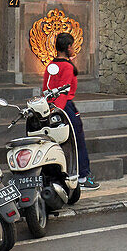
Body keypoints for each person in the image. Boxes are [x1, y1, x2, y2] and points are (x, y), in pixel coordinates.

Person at [43, 32, 99, 191]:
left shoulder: (51, 66)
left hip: (50, 107)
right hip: (65, 107)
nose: (73, 49)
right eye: (72, 46)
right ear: (68, 47)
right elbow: (63, 92)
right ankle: (83, 175)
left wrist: (50, 110)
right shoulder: (67, 67)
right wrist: (59, 112)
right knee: (77, 141)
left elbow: (46, 90)